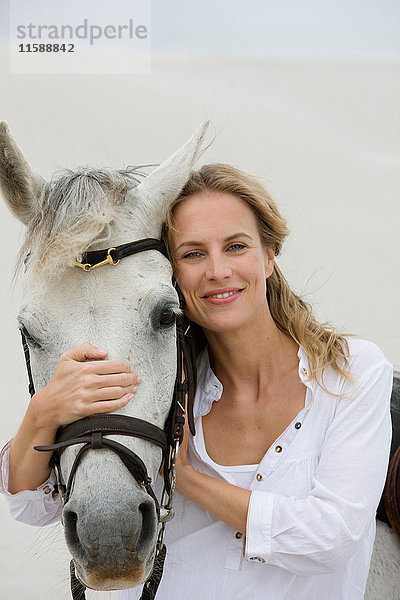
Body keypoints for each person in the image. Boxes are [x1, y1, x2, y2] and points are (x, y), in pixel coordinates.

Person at [0, 163, 393, 600]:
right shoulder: (158, 376)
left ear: (268, 255)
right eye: (192, 254)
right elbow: (33, 506)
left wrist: (188, 479)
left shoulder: (352, 372)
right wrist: (43, 412)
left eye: (236, 246)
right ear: (172, 271)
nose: (218, 270)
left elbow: (331, 540)